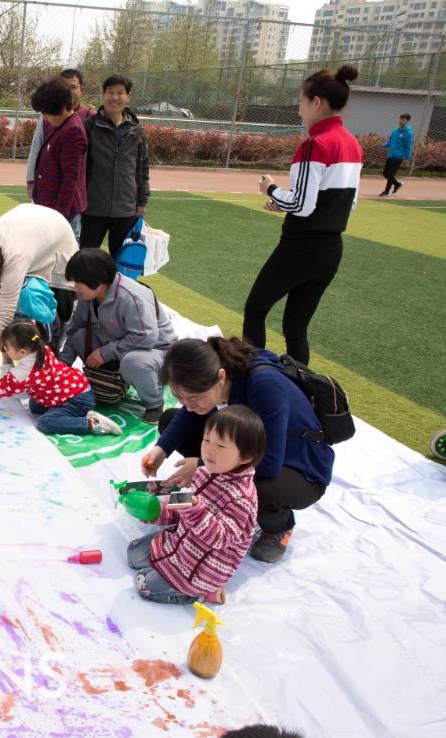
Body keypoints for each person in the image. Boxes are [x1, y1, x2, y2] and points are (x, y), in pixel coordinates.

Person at [142, 337, 335, 563]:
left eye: (193, 397)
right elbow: (188, 414)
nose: (188, 404)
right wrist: (160, 450)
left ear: (221, 377)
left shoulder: (264, 387)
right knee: (171, 420)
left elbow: (269, 464)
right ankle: (212, 498)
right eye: (179, 397)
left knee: (257, 486)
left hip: (297, 468)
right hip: (243, 450)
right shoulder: (212, 374)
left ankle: (279, 526)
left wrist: (202, 465)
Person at [247, 65, 362, 366]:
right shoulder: (353, 144)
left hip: (301, 247)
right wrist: (287, 203)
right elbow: (346, 203)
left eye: (300, 101)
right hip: (330, 249)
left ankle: (254, 376)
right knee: (296, 329)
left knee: (256, 308)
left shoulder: (315, 144)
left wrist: (271, 190)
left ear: (317, 102)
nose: (299, 109)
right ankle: (301, 388)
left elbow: (303, 204)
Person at [127, 405, 265, 605]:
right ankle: (167, 561)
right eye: (207, 439)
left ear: (245, 456)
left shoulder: (242, 499)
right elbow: (180, 506)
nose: (209, 450)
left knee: (144, 584)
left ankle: (202, 592)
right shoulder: (202, 473)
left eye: (221, 446)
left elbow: (219, 538)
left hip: (203, 567)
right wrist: (158, 513)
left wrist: (194, 509)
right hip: (181, 543)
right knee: (133, 554)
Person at [0, 203, 79, 404]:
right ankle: (8, 361)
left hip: (56, 238)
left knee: (55, 310)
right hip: (30, 229)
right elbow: (6, 310)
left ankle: (50, 372)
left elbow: (3, 316)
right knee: (15, 310)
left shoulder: (14, 257)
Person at [0, 320, 120, 436]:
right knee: (35, 405)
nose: (4, 350)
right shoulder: (40, 349)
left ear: (22, 352)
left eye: (6, 347)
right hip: (75, 389)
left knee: (46, 423)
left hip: (77, 399)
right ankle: (77, 412)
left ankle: (91, 424)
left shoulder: (24, 371)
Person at [60, 249, 177, 423]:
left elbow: (146, 337)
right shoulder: (88, 296)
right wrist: (61, 368)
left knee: (134, 362)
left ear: (98, 281)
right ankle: (113, 382)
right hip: (118, 343)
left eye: (79, 282)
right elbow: (73, 330)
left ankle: (154, 403)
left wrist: (105, 353)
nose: (75, 287)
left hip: (156, 351)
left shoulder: (131, 297)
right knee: (79, 336)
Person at [81, 74, 150, 256]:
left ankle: (119, 286)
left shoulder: (137, 130)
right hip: (93, 207)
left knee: (122, 261)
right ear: (103, 95)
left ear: (128, 96)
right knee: (86, 258)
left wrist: (141, 201)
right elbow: (80, 167)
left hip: (125, 208)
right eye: (110, 92)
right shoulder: (89, 126)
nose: (115, 97)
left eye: (120, 93)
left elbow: (142, 168)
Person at [29, 75, 88, 231]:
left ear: (60, 107)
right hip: (51, 207)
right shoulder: (62, 125)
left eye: (46, 113)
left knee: (63, 254)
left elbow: (71, 179)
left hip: (63, 213)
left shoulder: (72, 131)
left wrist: (59, 216)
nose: (45, 118)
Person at [26, 68, 95, 200]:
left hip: (72, 197)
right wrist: (31, 182)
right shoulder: (46, 116)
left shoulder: (87, 118)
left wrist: (61, 212)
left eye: (73, 87)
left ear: (82, 89)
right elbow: (36, 150)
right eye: (64, 87)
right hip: (49, 194)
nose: (68, 91)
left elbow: (71, 178)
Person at [380, 112, 413, 197]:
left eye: (403, 120)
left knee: (390, 175)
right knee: (385, 174)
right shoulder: (395, 131)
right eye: (400, 119)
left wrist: (407, 158)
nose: (401, 121)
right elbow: (390, 141)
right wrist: (383, 145)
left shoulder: (408, 133)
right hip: (391, 155)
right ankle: (397, 184)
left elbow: (408, 146)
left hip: (398, 157)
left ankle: (386, 192)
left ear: (407, 121)